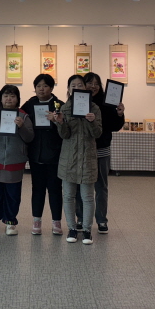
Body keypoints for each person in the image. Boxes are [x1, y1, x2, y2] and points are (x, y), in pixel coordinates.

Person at [53, 75, 102, 245]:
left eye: (79, 85)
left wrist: (92, 121)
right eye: (72, 86)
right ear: (68, 90)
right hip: (69, 158)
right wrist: (60, 123)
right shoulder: (65, 108)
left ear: (85, 88)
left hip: (87, 158)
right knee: (68, 196)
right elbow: (65, 135)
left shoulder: (94, 108)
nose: (76, 88)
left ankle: (87, 230)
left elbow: (97, 133)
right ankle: (72, 228)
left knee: (87, 197)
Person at [0, 84, 33, 235]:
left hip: (15, 161)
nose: (9, 99)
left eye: (12, 96)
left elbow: (29, 137)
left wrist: (22, 127)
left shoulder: (23, 116)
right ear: (0, 98)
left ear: (17, 99)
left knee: (12, 194)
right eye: (6, 96)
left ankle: (10, 222)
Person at [75, 72, 125, 234]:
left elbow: (115, 126)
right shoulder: (78, 101)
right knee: (80, 185)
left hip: (101, 150)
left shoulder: (108, 102)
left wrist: (119, 114)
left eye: (97, 83)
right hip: (83, 150)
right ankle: (80, 218)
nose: (93, 86)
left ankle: (102, 220)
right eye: (89, 83)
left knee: (101, 186)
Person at [21, 74, 65, 236]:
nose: (41, 89)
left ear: (52, 88)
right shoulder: (29, 104)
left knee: (55, 189)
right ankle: (36, 221)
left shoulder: (59, 105)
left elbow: (66, 130)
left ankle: (56, 222)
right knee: (37, 189)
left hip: (55, 155)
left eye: (45, 86)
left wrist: (57, 121)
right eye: (38, 86)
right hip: (36, 154)